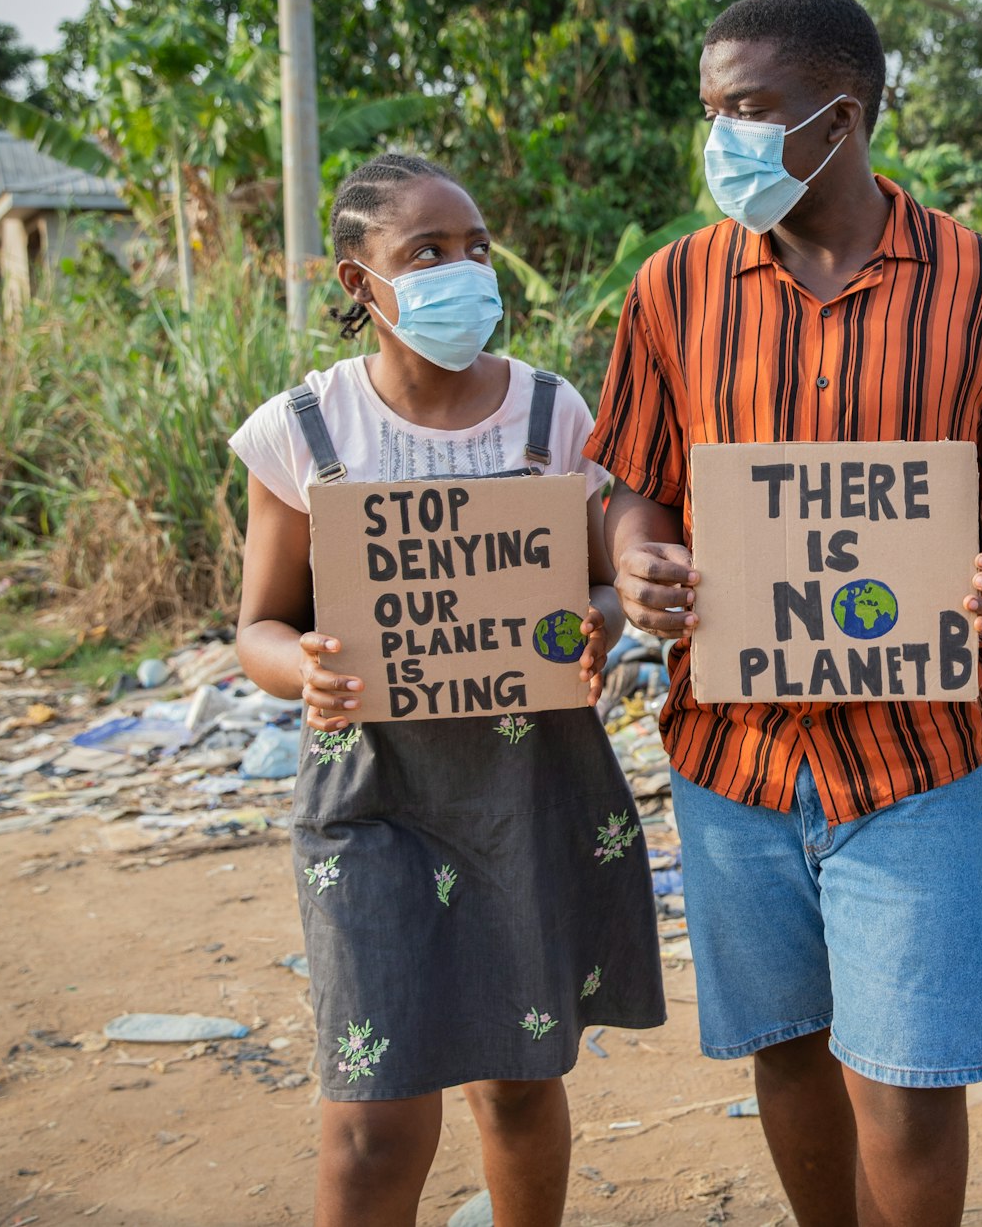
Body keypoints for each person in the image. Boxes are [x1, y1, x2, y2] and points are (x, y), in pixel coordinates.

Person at [584, 0, 982, 1227]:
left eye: (748, 109)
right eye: (711, 112)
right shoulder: (672, 289)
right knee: (787, 1047)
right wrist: (641, 558)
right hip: (730, 752)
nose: (722, 139)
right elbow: (633, 490)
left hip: (912, 754)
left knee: (911, 1080)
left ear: (839, 115)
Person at [229, 152, 665, 1227]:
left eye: (474, 248)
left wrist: (591, 630)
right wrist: (308, 675)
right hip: (371, 795)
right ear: (355, 281)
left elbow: (604, 589)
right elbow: (258, 629)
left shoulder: (554, 417)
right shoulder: (304, 429)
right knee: (373, 1107)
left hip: (529, 785)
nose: (461, 271)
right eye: (425, 252)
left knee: (518, 1081)